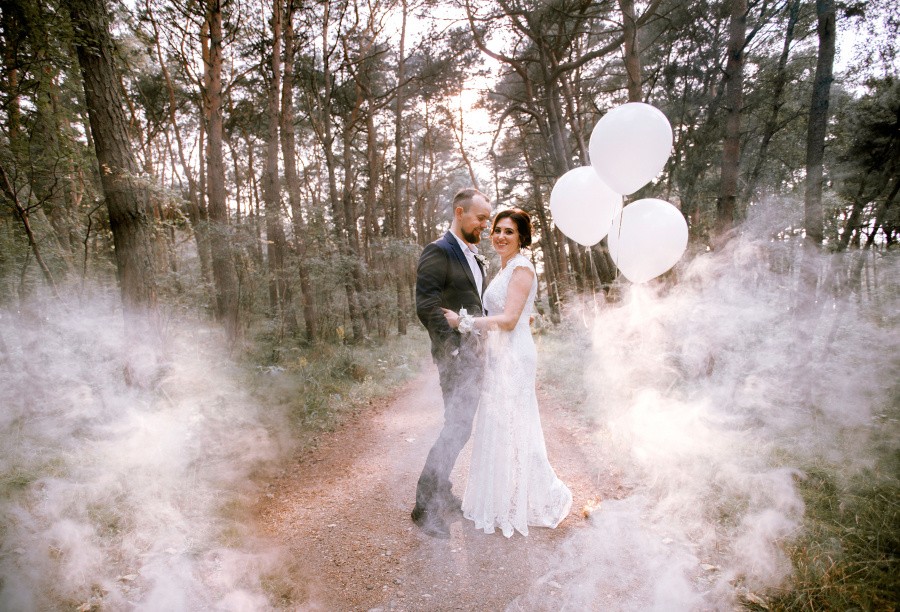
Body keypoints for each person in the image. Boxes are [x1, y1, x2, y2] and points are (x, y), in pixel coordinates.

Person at [443, 208, 572, 537]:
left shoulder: (522, 268)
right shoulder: (504, 269)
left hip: (515, 356)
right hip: (499, 354)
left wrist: (463, 322)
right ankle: (500, 498)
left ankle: (538, 497)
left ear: (522, 237)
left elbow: (511, 320)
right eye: (497, 230)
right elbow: (518, 313)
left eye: (509, 232)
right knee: (498, 422)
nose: (500, 236)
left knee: (515, 423)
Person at [412, 188, 493, 539]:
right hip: (457, 357)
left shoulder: (473, 255)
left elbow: (475, 304)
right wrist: (453, 349)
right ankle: (424, 507)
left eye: (488, 219)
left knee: (460, 427)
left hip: (476, 355)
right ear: (460, 213)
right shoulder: (439, 250)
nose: (486, 225)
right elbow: (426, 305)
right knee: (456, 428)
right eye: (481, 218)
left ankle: (441, 490)